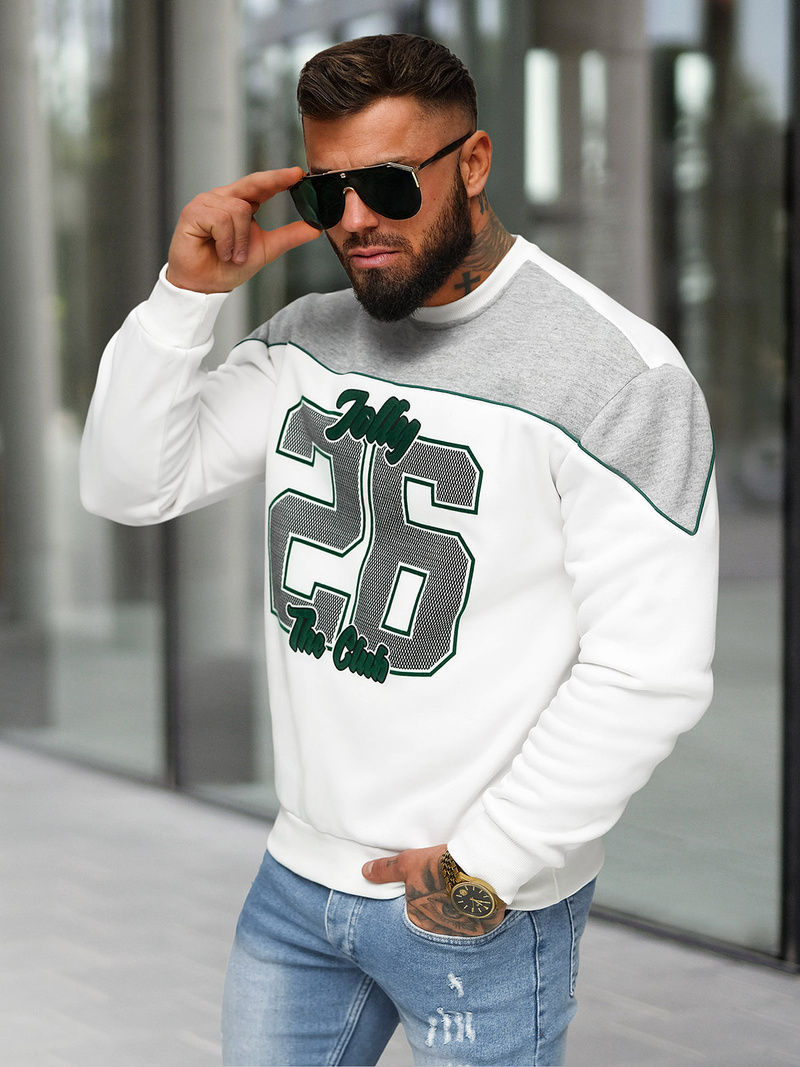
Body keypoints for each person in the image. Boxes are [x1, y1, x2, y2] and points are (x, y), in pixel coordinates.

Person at [80, 33, 718, 1067]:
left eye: (385, 183)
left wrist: (485, 865)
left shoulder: (618, 377)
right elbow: (126, 483)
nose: (355, 220)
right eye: (325, 193)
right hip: (298, 882)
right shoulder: (306, 338)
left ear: (474, 162)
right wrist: (184, 297)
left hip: (478, 901)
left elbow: (648, 668)